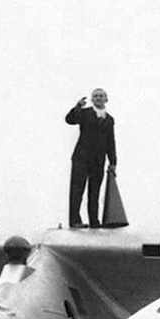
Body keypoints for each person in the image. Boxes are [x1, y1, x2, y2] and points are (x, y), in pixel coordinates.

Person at [66, 88, 116, 228]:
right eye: (95, 96)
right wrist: (77, 107)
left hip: (98, 160)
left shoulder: (109, 119)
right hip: (81, 158)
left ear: (106, 99)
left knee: (95, 191)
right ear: (92, 99)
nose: (98, 98)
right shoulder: (84, 113)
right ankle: (75, 220)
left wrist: (113, 162)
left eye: (101, 96)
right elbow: (69, 120)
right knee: (77, 190)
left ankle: (94, 221)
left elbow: (111, 141)